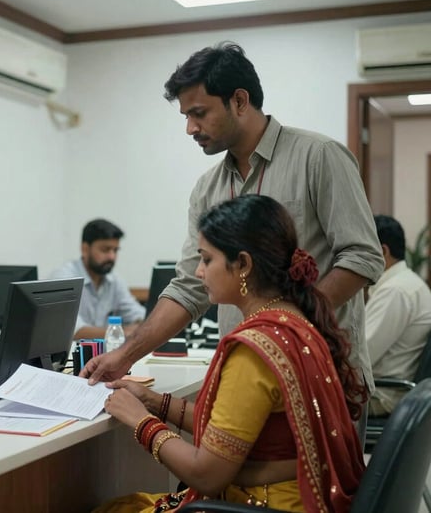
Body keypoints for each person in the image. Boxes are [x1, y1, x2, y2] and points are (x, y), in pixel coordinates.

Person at [81, 43, 383, 403]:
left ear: (239, 101)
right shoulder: (207, 188)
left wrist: (284, 327)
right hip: (246, 379)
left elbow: (362, 257)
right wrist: (126, 354)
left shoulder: (318, 157)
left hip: (320, 372)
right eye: (185, 117)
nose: (190, 128)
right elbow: (188, 287)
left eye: (199, 113)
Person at [96, 195, 367, 512]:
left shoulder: (255, 350)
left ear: (243, 265)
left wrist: (139, 421)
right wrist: (154, 401)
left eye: (206, 259)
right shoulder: (294, 323)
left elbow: (206, 475)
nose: (198, 272)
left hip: (264, 505)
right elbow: (230, 434)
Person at [366, 214, 431, 416]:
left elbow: (361, 356)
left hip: (382, 396)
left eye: (361, 252)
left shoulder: (396, 291)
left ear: (383, 252)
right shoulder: (409, 284)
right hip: (392, 391)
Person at [50, 218, 145, 339]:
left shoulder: (114, 280)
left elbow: (137, 314)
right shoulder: (63, 279)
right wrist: (121, 332)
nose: (112, 256)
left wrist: (141, 325)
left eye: (115, 250)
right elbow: (71, 330)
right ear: (85, 249)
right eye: (105, 250)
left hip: (105, 354)